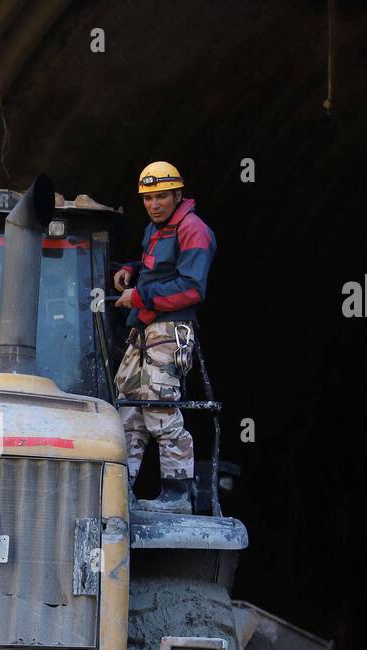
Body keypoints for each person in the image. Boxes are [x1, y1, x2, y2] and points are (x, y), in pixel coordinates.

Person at [112, 161, 217, 513]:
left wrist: (140, 297)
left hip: (170, 330)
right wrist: (132, 269)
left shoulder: (193, 230)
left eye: (161, 197)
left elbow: (191, 288)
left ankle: (177, 494)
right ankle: (117, 491)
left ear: (177, 194)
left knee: (158, 406)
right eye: (148, 198)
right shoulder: (156, 230)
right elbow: (157, 267)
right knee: (127, 409)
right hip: (145, 329)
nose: (154, 204)